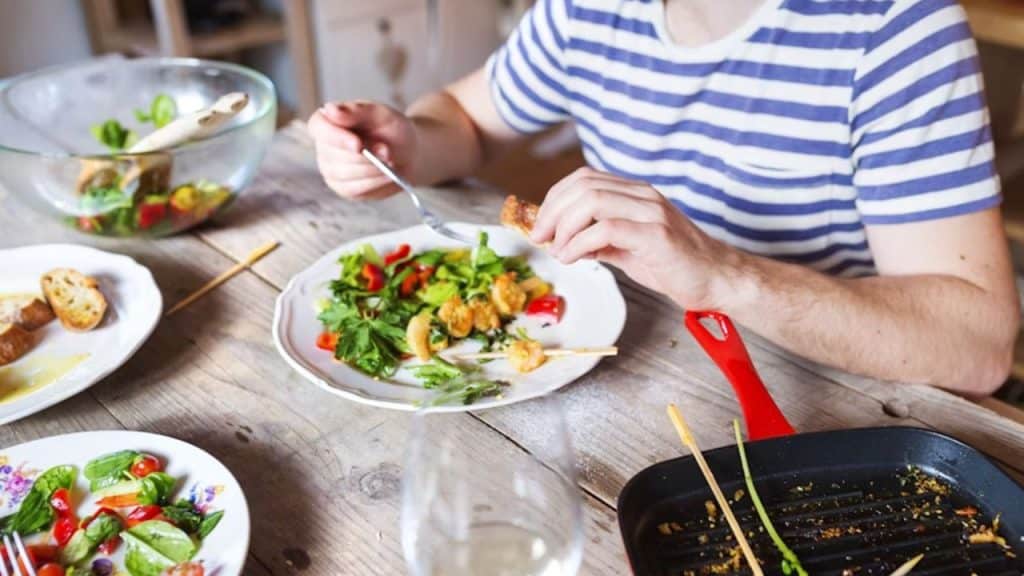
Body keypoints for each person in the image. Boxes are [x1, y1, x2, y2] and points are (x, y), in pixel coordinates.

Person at [308, 0, 1019, 396]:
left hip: (821, 395)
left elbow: (977, 343)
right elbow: (464, 120)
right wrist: (407, 142)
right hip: (624, 369)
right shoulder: (585, 8)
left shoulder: (898, 28)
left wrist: (721, 274)